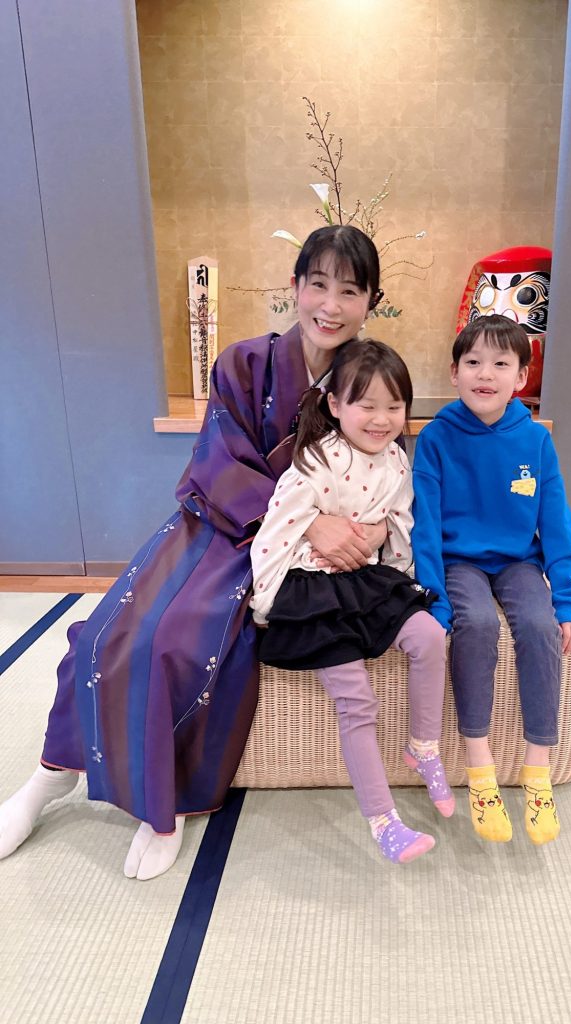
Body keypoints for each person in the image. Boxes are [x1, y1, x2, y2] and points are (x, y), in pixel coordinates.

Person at [0, 224, 390, 879]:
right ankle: (50, 775)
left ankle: (167, 801)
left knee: (179, 640)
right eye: (318, 284)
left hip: (285, 553)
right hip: (222, 521)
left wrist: (364, 528)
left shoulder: (366, 376)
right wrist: (304, 519)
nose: (330, 304)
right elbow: (218, 460)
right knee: (104, 633)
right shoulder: (244, 363)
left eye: (349, 291)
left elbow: (384, 461)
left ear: (371, 301)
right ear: (294, 287)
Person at [250, 338, 454, 863]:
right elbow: (276, 531)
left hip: (366, 579)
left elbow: (402, 524)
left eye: (394, 406)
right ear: (335, 404)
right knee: (356, 700)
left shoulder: (397, 460)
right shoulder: (315, 461)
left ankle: (424, 747)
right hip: (313, 593)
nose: (381, 419)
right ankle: (384, 821)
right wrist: (267, 604)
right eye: (366, 405)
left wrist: (399, 580)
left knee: (430, 635)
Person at [411, 314, 571, 846]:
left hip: (517, 563)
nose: (485, 374)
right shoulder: (435, 438)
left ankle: (538, 771)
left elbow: (555, 522)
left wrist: (568, 601)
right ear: (454, 372)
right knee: (478, 625)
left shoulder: (535, 440)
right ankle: (480, 769)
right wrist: (436, 603)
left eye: (500, 364)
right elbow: (424, 527)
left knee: (538, 626)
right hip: (458, 562)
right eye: (473, 362)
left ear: (521, 377)